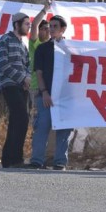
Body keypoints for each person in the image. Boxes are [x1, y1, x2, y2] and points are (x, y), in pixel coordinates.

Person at [30, 15, 74, 170]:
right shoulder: (42, 48)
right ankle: (36, 160)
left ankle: (60, 162)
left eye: (55, 26)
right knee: (42, 126)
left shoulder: (71, 48)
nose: (51, 29)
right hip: (46, 95)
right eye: (50, 26)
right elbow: (39, 73)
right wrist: (44, 92)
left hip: (66, 97)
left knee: (65, 129)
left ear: (63, 29)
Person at [0, 12, 32, 168]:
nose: (28, 26)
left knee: (18, 121)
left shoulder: (23, 43)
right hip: (9, 85)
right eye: (26, 24)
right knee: (21, 118)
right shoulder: (5, 39)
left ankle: (9, 159)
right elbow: (3, 64)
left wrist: (27, 79)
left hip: (21, 87)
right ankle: (15, 158)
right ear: (17, 24)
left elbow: (28, 64)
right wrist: (22, 78)